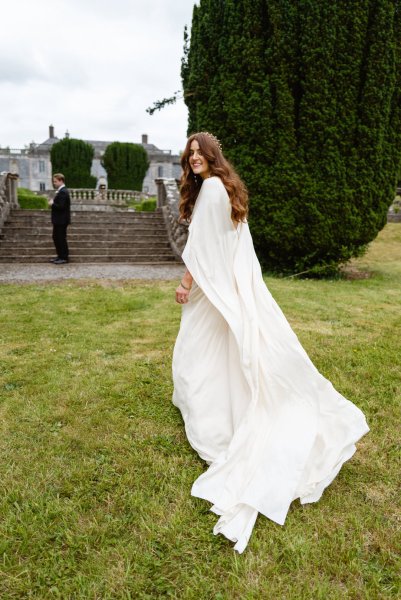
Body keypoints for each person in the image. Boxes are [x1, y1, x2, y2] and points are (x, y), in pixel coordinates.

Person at [172, 132, 369, 553]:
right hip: (230, 285)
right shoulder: (227, 187)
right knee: (219, 351)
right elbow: (235, 243)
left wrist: (187, 283)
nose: (193, 159)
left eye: (198, 153)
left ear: (211, 156)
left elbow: (202, 245)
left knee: (196, 350)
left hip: (216, 286)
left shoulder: (210, 188)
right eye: (189, 154)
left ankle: (214, 414)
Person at [48, 173, 71, 264]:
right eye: (54, 181)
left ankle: (64, 257)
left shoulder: (63, 192)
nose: (54, 183)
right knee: (56, 237)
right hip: (59, 220)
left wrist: (52, 204)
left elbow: (61, 207)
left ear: (61, 181)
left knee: (61, 238)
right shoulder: (62, 191)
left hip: (61, 220)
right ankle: (60, 256)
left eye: (55, 181)